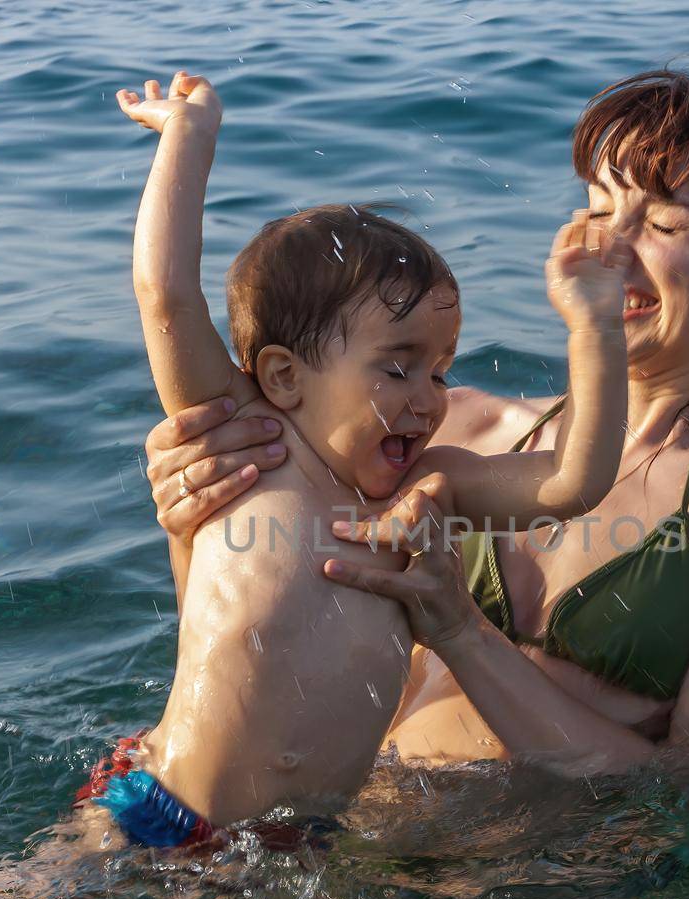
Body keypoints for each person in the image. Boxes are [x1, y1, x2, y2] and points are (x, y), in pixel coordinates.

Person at [144, 66, 689, 782]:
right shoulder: (450, 423)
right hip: (306, 839)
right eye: (597, 209)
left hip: (514, 892)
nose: (610, 246)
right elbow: (265, 636)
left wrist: (460, 629)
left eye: (660, 222)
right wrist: (202, 517)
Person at [84, 69, 633, 849]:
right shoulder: (252, 436)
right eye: (398, 366)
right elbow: (166, 293)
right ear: (284, 376)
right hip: (156, 810)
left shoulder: (424, 492)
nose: (429, 396)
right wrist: (190, 136)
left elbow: (574, 480)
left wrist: (595, 330)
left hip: (294, 855)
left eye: (441, 369)